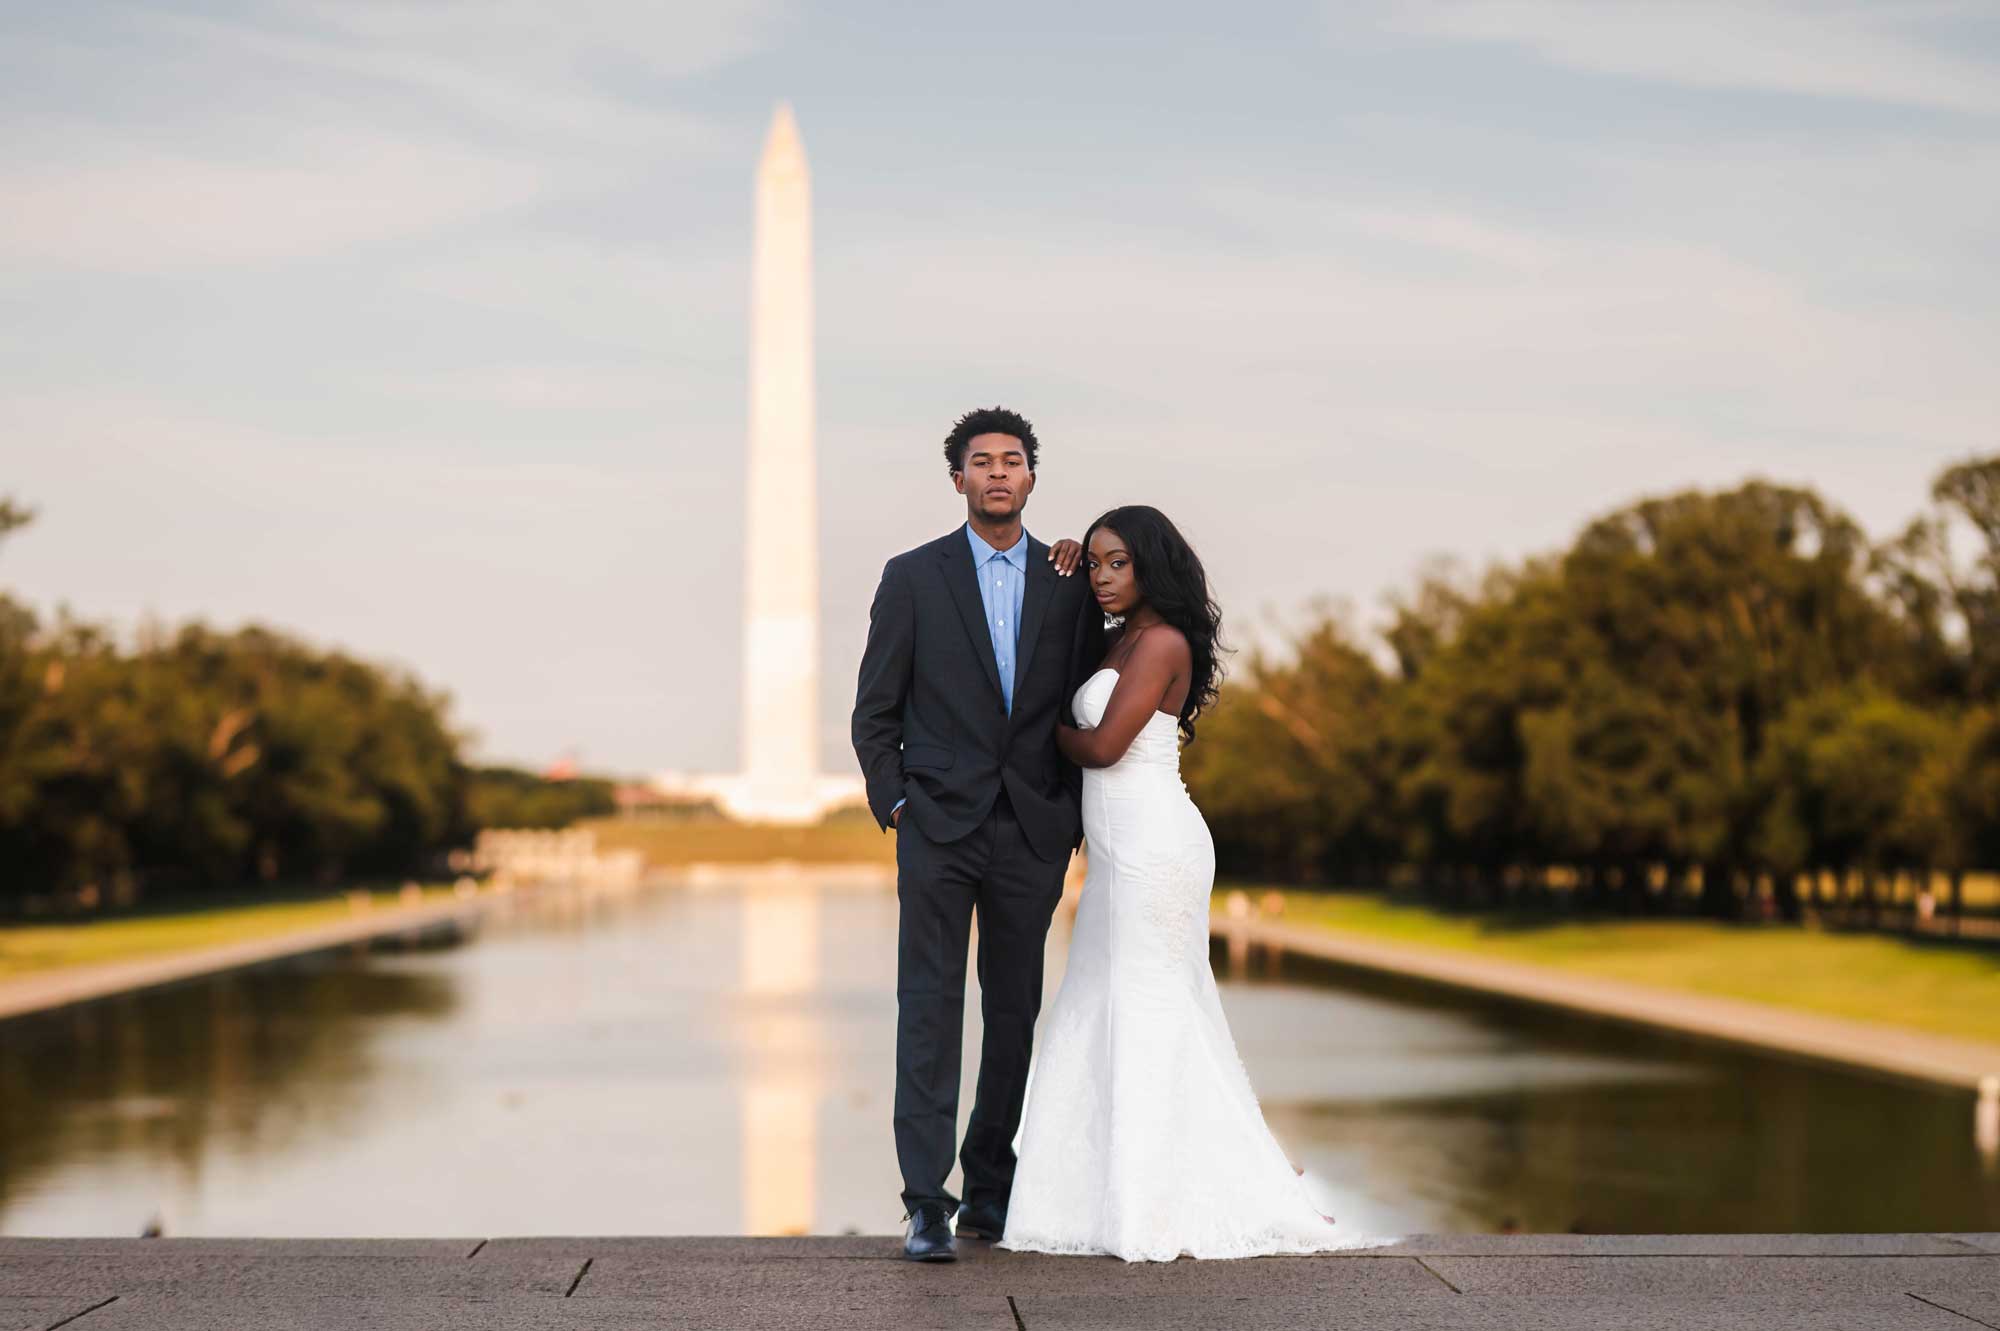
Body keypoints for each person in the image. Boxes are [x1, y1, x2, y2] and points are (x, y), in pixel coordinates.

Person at [1000, 505, 1389, 1261]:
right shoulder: (1119, 638)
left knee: (1148, 1009)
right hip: (1120, 856)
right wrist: (1064, 568)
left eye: (1119, 563)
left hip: (1155, 848)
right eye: (1097, 564)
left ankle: (1156, 1200)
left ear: (1151, 564)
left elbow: (1106, 745)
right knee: (1102, 1001)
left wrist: (1038, 724)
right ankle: (1093, 1194)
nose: (1105, 578)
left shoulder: (1163, 642)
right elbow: (1065, 639)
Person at [850, 406, 1093, 1262]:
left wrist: (1064, 814)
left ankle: (992, 1189)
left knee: (1016, 1010)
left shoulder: (1070, 584)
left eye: (1013, 460)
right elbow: (875, 711)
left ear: (1032, 477)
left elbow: (1081, 695)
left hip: (1030, 828)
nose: (997, 472)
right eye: (981, 461)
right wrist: (898, 802)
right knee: (928, 1007)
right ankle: (927, 1201)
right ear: (957, 478)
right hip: (939, 827)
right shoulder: (911, 577)